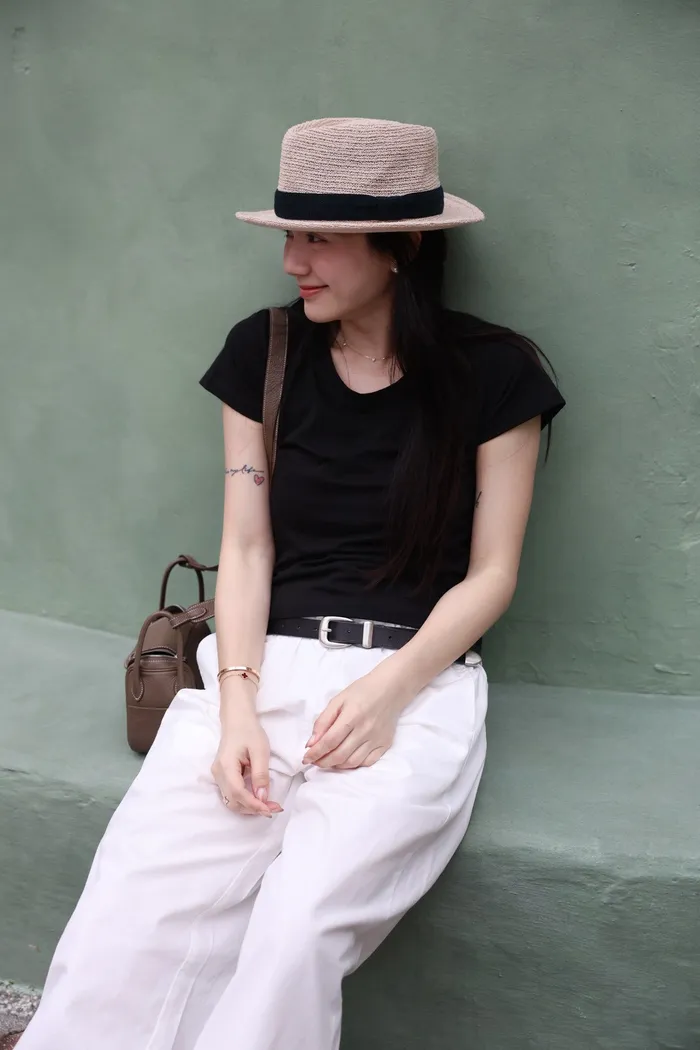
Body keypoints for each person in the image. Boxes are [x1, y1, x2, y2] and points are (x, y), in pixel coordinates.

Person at [19, 118, 565, 1050]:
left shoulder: (496, 375)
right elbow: (245, 548)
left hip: (413, 687)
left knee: (296, 930)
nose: (292, 262)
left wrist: (387, 693)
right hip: (258, 668)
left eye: (317, 238)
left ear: (402, 247)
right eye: (288, 236)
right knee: (131, 912)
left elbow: (493, 574)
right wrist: (235, 707)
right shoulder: (263, 352)